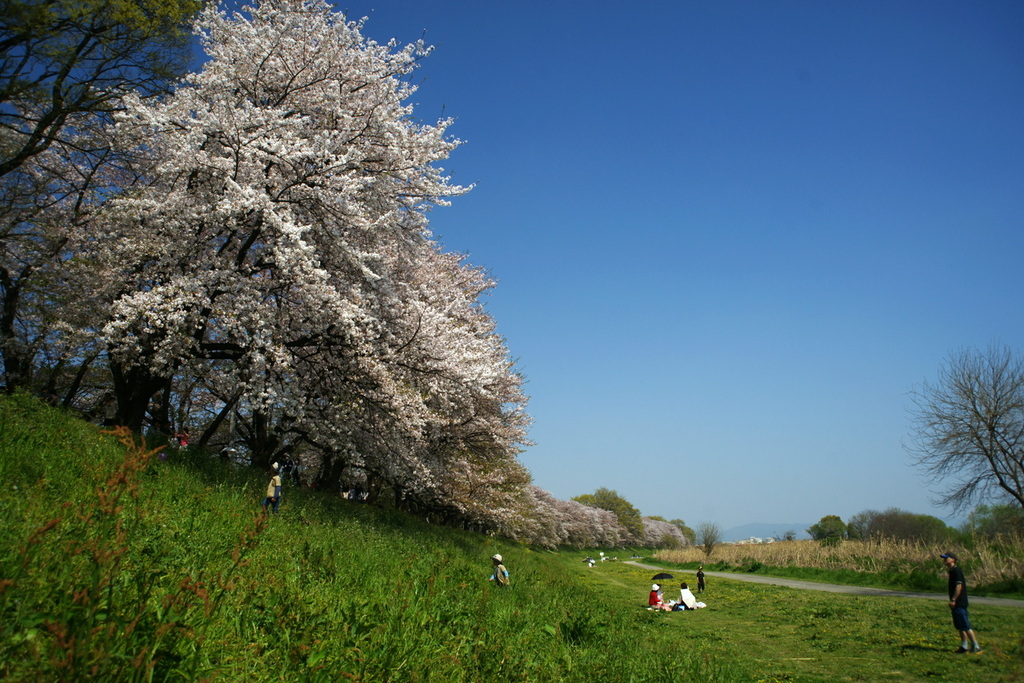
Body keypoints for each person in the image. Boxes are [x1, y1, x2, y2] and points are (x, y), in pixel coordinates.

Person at [941, 553, 981, 654]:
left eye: (947, 558)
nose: (944, 560)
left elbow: (959, 586)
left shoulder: (956, 571)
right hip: (956, 603)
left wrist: (954, 599)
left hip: (960, 602)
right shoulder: (952, 571)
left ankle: (976, 646)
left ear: (953, 559)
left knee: (965, 625)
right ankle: (964, 645)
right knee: (959, 625)